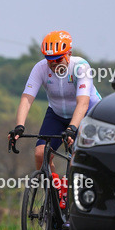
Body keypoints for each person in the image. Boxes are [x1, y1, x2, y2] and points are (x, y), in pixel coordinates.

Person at [10, 30, 102, 171]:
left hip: (86, 114)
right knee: (41, 154)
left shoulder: (81, 67)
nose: (53, 64)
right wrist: (19, 126)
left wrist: (72, 128)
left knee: (77, 160)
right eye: (50, 60)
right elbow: (26, 99)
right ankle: (55, 190)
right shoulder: (40, 68)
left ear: (69, 54)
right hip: (57, 114)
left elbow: (83, 103)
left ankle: (77, 190)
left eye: (58, 59)